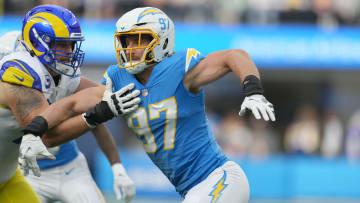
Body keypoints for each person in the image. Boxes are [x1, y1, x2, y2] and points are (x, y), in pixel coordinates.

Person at [22, 6, 275, 203]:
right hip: (191, 189)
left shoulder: (181, 70)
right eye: (126, 41)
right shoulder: (117, 81)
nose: (130, 48)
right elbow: (71, 105)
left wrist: (252, 90)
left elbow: (235, 56)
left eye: (139, 39)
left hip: (218, 177)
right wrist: (34, 129)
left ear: (162, 39)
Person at [0, 5, 140, 203]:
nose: (69, 52)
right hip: (28, 174)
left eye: (70, 45)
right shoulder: (19, 76)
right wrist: (99, 113)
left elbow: (92, 96)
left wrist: (141, 91)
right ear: (36, 44)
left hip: (9, 177)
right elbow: (46, 136)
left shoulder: (60, 75)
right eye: (61, 44)